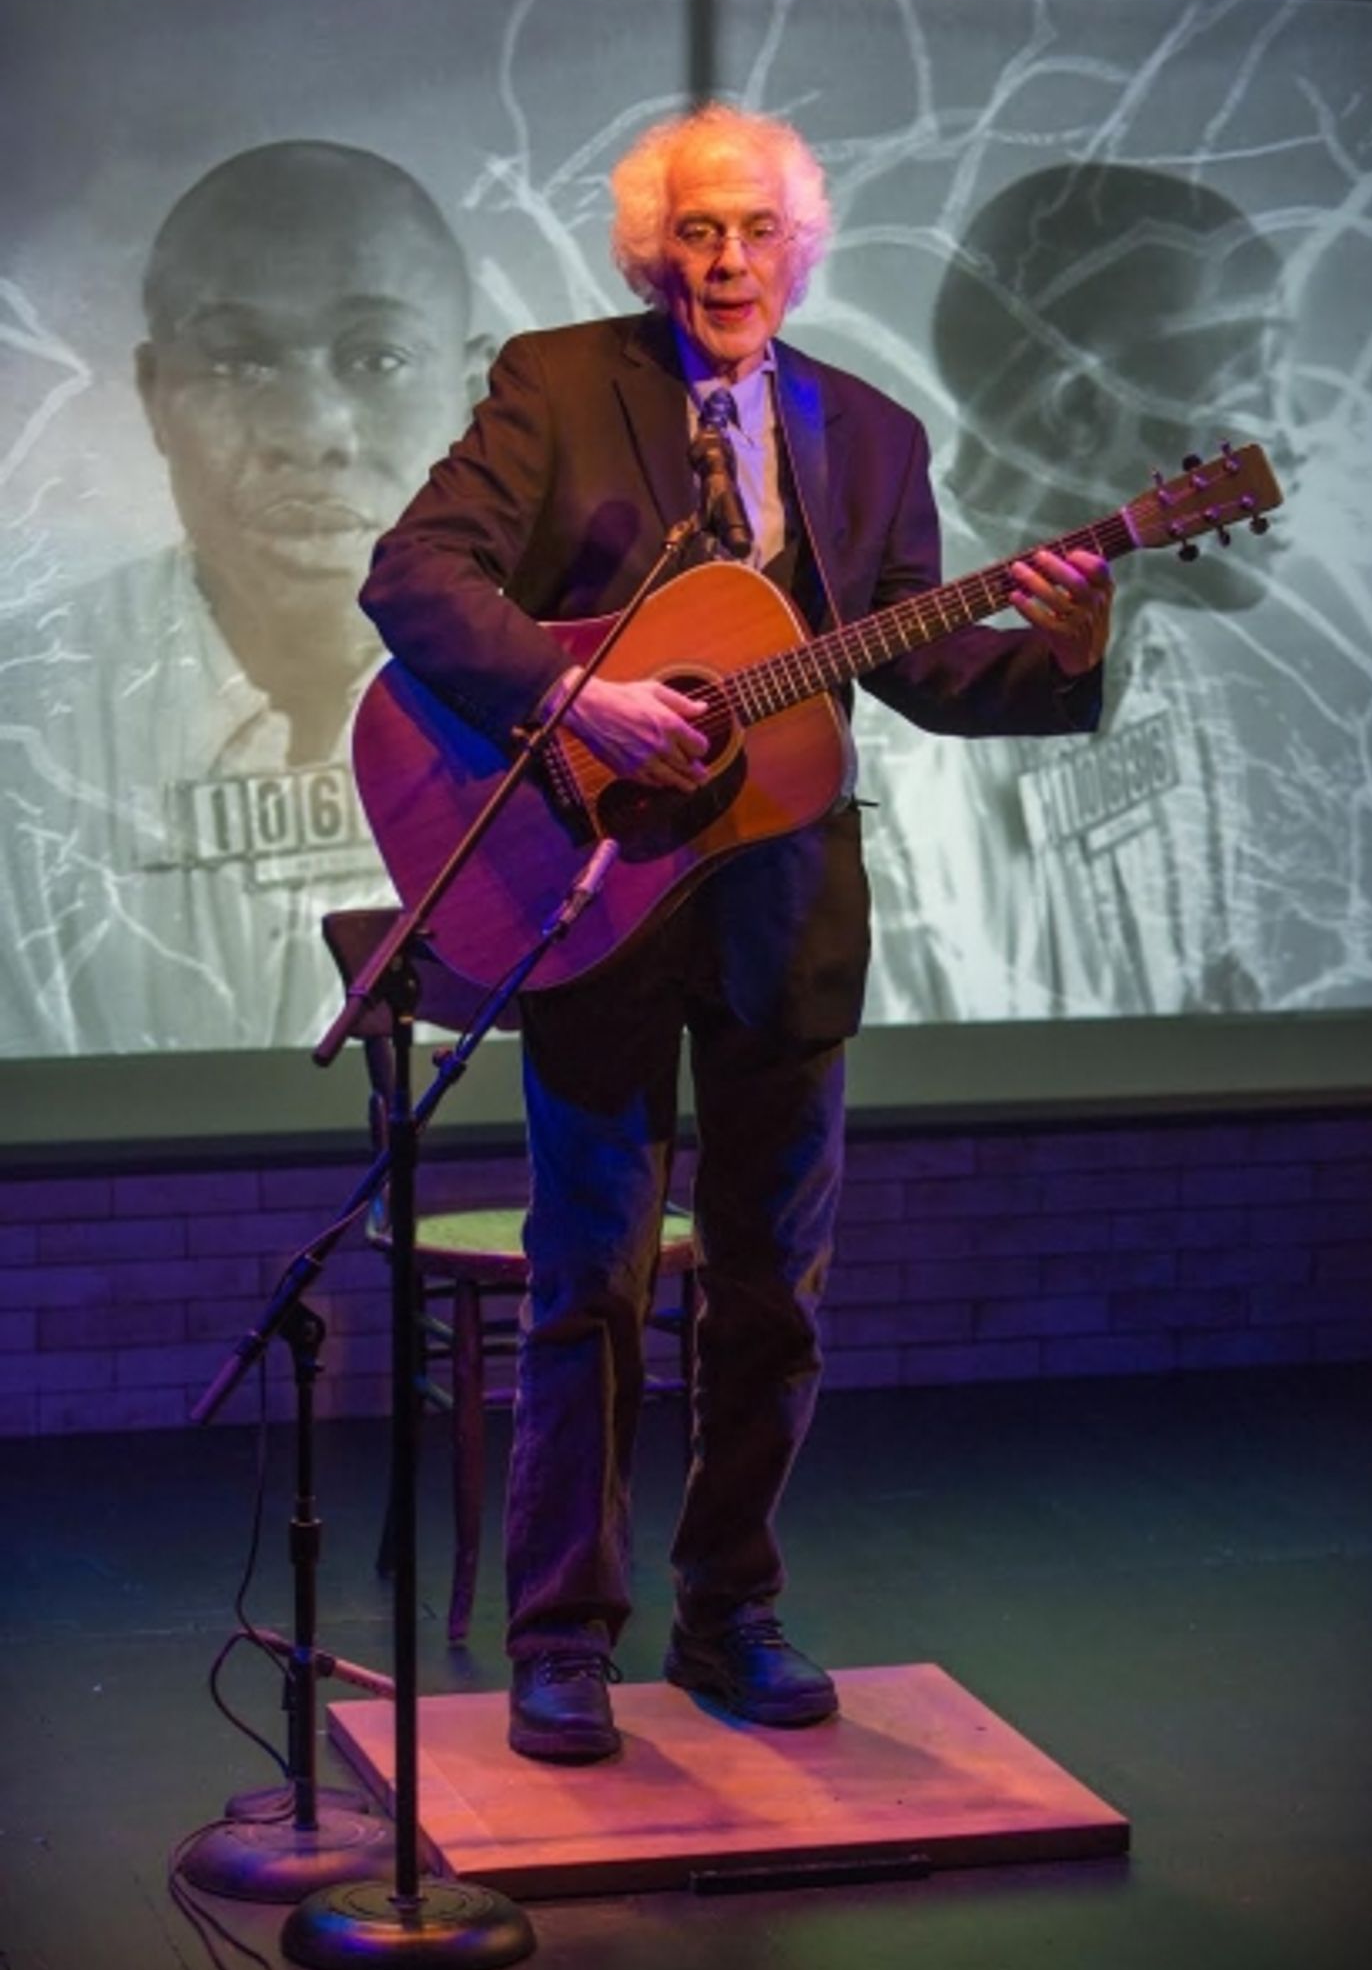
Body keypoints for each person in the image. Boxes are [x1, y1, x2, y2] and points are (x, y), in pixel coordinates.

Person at [361, 103, 1115, 1764]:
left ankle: (732, 1617)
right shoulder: (560, 386)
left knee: (774, 1295)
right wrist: (578, 697)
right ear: (653, 249)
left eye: (754, 231)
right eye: (696, 232)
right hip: (595, 894)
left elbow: (916, 672)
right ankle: (562, 1640)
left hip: (786, 913)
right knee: (593, 1286)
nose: (724, 261)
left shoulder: (869, 434)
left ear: (799, 248)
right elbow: (416, 578)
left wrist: (1064, 638)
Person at [0, 140, 481, 1056]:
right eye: (240, 362)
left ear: (471, 389)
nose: (309, 434)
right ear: (154, 394)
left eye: (376, 358)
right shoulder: (19, 733)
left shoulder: (591, 686)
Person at [858, 164, 1287, 1023]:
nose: (1286, 431)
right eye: (1249, 375)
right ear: (1079, 409)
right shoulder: (905, 725)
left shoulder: (1159, 660)